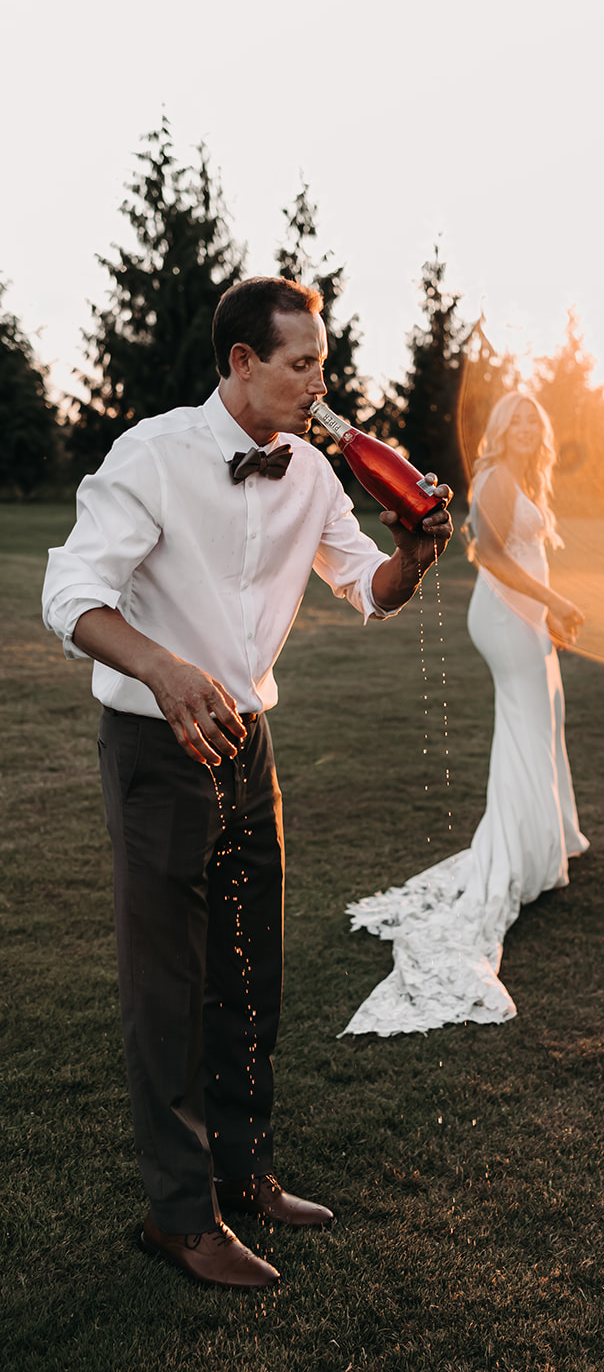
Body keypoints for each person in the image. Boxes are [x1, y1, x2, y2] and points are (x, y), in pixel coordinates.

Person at [41, 276, 452, 1291]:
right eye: (301, 363)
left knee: (249, 968)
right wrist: (164, 667)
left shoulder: (314, 472)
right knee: (168, 988)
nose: (320, 380)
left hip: (247, 745)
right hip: (154, 747)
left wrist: (414, 556)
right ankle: (181, 1218)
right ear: (242, 363)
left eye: (322, 361)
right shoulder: (151, 455)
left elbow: (367, 590)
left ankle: (246, 1169)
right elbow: (70, 594)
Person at [341, 390, 587, 1036]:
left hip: (525, 617)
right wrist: (554, 602)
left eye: (537, 417)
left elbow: (522, 555)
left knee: (541, 723)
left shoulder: (522, 476)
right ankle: (520, 858)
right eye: (518, 418)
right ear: (501, 430)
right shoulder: (495, 477)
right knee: (527, 726)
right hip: (506, 619)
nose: (530, 426)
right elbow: (493, 556)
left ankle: (547, 841)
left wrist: (549, 614)